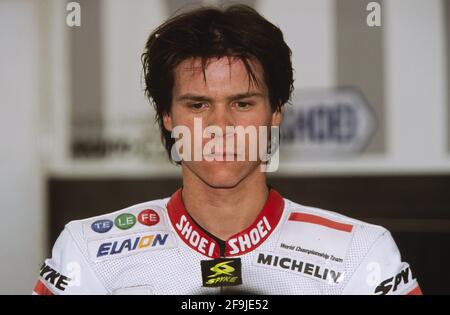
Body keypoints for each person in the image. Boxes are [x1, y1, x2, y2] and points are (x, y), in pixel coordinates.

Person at [33, 4, 421, 295]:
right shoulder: (89, 250)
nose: (220, 127)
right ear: (168, 116)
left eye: (243, 103)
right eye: (198, 105)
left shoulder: (360, 253)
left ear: (275, 114)